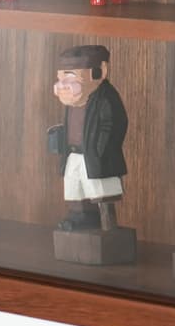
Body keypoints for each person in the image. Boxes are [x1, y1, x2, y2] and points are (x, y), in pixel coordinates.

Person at [49, 44, 127, 232]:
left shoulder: (105, 97)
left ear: (100, 72)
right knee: (75, 187)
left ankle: (107, 223)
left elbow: (114, 124)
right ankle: (80, 218)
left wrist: (98, 149)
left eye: (70, 76)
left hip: (95, 156)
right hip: (74, 154)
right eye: (61, 77)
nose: (62, 84)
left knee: (100, 191)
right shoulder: (73, 99)